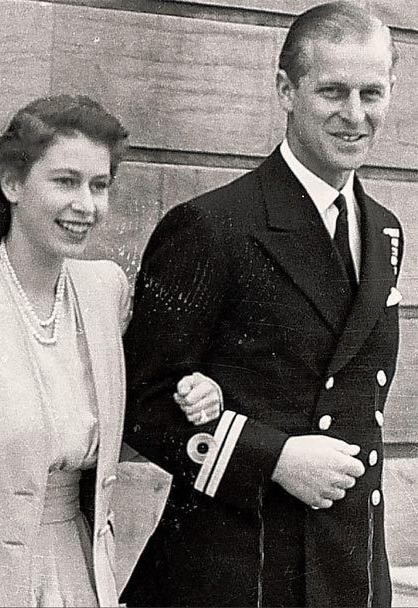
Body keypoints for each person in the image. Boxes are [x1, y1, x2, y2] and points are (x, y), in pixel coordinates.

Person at [121, 3, 404, 607]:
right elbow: (142, 405)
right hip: (241, 570)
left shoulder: (384, 231)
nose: (354, 115)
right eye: (332, 91)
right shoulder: (213, 226)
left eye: (371, 93)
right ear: (286, 90)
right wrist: (272, 457)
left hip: (349, 569)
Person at [0, 94, 223, 608]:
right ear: (12, 183)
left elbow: (133, 418)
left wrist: (198, 390)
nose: (87, 205)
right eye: (65, 181)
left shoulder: (105, 291)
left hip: (81, 569)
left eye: (100, 186)